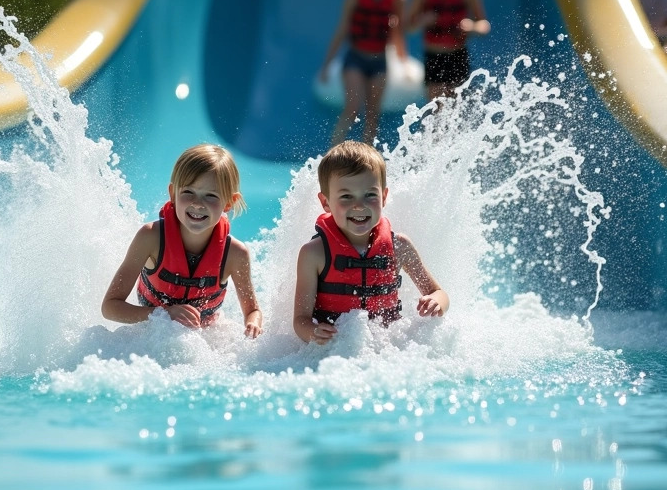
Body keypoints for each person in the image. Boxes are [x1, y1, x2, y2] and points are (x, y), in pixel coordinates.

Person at [292, 141, 449, 344]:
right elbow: (300, 320)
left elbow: (438, 292)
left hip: (387, 345)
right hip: (336, 347)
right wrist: (313, 333)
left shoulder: (399, 246)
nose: (359, 206)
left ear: (383, 197)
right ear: (326, 202)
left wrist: (436, 302)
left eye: (370, 195)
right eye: (346, 196)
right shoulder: (314, 253)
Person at [102, 144, 262, 337]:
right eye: (188, 192)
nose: (197, 203)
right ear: (173, 194)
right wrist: (163, 315)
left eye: (211, 196)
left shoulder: (235, 254)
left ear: (229, 202)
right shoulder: (150, 238)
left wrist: (253, 325)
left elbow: (253, 311)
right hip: (151, 337)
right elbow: (110, 307)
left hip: (204, 337)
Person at [318, 0, 408, 146]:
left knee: (373, 114)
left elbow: (397, 33)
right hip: (356, 59)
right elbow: (342, 31)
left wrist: (403, 63)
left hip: (380, 61)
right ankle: (332, 153)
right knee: (353, 107)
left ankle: (368, 160)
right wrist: (326, 65)